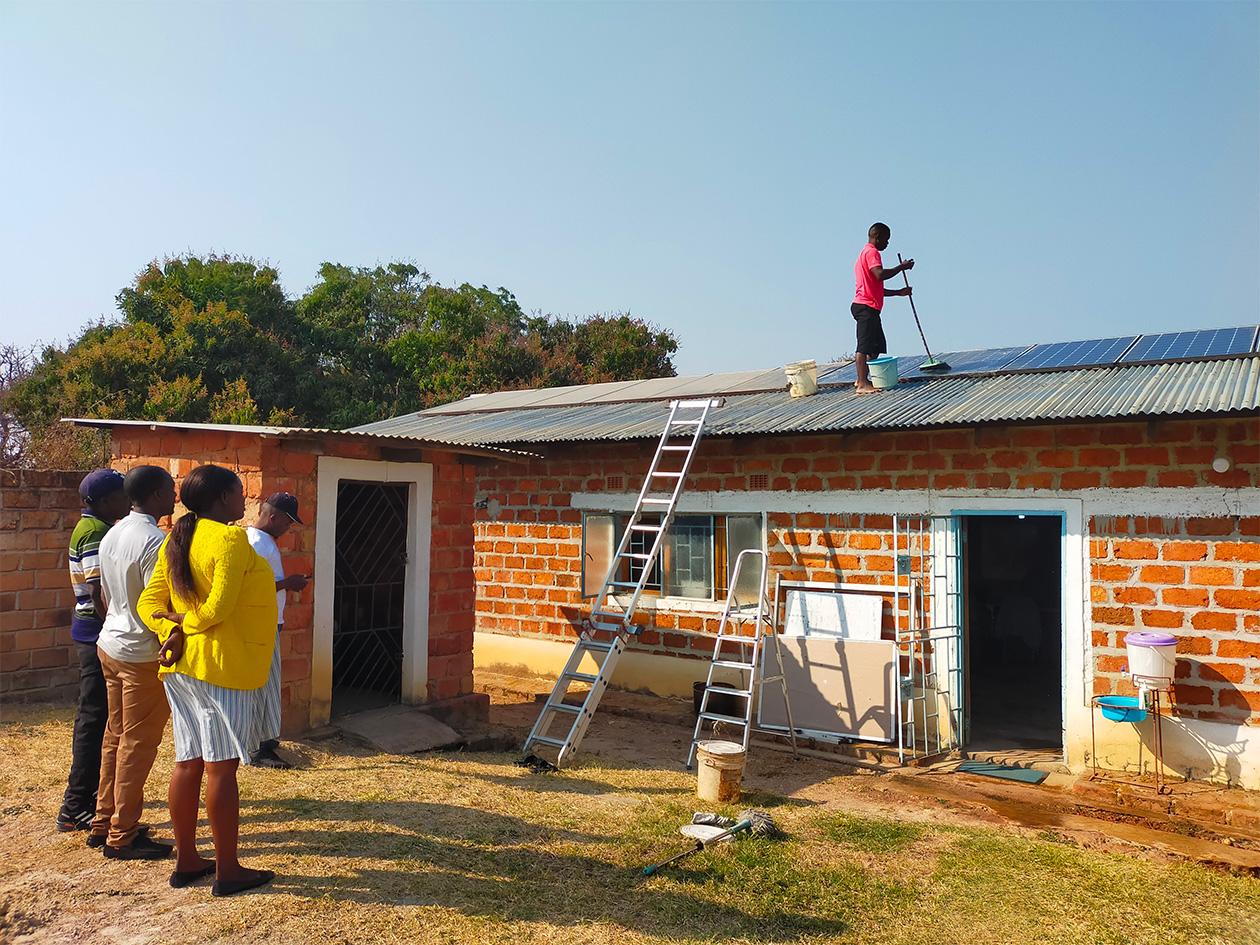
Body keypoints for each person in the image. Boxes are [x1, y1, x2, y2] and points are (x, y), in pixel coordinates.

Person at [138, 464, 278, 896]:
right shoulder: (231, 539)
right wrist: (183, 621)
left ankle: (187, 860)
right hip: (221, 666)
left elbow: (148, 603)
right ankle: (228, 870)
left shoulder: (178, 538)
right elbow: (217, 609)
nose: (245, 500)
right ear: (222, 498)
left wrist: (172, 631)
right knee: (220, 769)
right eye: (240, 492)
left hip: (181, 668)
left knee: (188, 762)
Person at [90, 465, 178, 860]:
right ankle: (122, 835)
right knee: (137, 745)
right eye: (171, 490)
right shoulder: (155, 542)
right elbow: (153, 606)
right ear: (157, 495)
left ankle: (102, 820)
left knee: (115, 736)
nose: (175, 496)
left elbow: (106, 593)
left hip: (110, 644)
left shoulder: (113, 533)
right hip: (140, 653)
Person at [57, 469, 130, 834]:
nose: (128, 500)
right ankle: (75, 806)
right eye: (122, 495)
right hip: (94, 635)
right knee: (94, 719)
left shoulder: (94, 528)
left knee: (100, 718)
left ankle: (92, 798)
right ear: (104, 502)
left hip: (92, 633)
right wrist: (115, 626)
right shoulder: (96, 533)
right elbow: (99, 590)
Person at [244, 492, 309, 769]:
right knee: (261, 686)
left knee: (269, 684)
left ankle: (265, 740)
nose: (288, 527)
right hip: (260, 625)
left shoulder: (262, 541)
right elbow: (250, 588)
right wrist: (289, 583)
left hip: (269, 622)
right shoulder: (259, 544)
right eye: (286, 522)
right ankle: (257, 749)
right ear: (273, 517)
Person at [851, 222, 915, 394]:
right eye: (886, 240)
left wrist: (899, 292)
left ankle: (863, 377)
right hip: (865, 307)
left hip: (869, 306)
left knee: (877, 345)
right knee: (864, 346)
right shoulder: (872, 252)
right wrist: (901, 267)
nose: (887, 243)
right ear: (877, 237)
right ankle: (862, 383)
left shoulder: (864, 254)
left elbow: (876, 288)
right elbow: (879, 275)